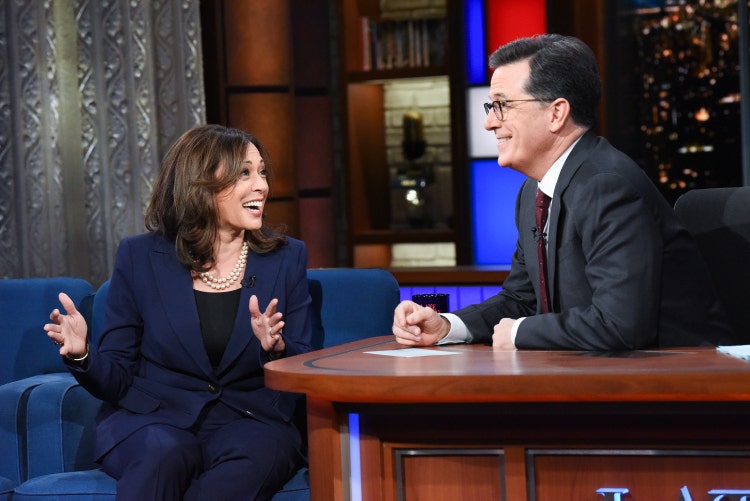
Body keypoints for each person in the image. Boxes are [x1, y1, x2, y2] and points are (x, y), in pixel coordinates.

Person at [392, 34, 736, 351]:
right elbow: (520, 300)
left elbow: (619, 325)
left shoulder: (607, 185)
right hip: (594, 373)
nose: (489, 122)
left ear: (556, 113)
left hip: (684, 379)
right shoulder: (533, 192)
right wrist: (447, 325)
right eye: (490, 107)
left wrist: (518, 333)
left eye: (502, 105)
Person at [45, 124, 312, 500]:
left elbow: (305, 364)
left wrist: (276, 349)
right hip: (154, 419)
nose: (261, 186)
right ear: (200, 184)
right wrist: (83, 355)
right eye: (244, 173)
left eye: (262, 172)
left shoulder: (286, 258)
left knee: (257, 455)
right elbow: (118, 377)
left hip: (250, 421)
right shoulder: (141, 257)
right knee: (164, 453)